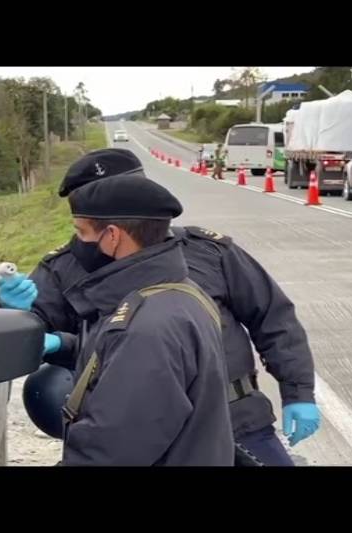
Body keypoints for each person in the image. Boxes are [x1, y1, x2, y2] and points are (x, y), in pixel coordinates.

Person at [1, 147, 320, 466]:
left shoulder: (208, 252)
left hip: (239, 419)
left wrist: (298, 392)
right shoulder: (64, 268)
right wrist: (11, 311)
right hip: (138, 430)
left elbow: (273, 318)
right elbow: (16, 338)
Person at [57, 174, 234, 465]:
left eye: (82, 233)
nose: (77, 243)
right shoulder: (181, 292)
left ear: (113, 236)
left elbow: (112, 450)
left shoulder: (148, 326)